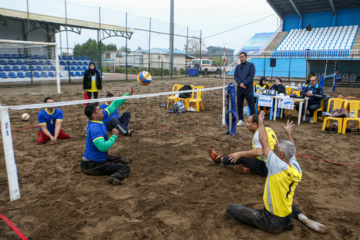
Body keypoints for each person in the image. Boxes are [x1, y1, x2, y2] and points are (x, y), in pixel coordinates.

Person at [226, 111, 327, 234]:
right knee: (290, 207)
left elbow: (263, 140)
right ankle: (303, 218)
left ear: (280, 155)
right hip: (286, 215)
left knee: (231, 209)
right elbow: (293, 150)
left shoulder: (275, 164)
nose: (272, 150)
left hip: (272, 221)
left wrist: (261, 123)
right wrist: (289, 133)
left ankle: (298, 219)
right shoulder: (296, 167)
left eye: (274, 149)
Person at [81, 87, 134, 186]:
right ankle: (114, 177)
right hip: (91, 166)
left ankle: (122, 160)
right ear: (94, 115)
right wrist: (114, 136)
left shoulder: (100, 117)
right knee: (125, 168)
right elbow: (103, 147)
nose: (102, 109)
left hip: (93, 159)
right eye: (99, 109)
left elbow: (114, 104)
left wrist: (128, 94)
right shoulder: (95, 128)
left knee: (108, 156)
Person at [209, 114, 277, 177]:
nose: (246, 125)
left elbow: (259, 152)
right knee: (247, 156)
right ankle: (249, 168)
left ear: (255, 124)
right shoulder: (269, 129)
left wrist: (240, 154)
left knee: (241, 157)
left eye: (248, 122)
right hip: (276, 164)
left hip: (268, 168)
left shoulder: (258, 135)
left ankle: (219, 159)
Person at [234, 52, 256, 126]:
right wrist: (240, 84)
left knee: (251, 104)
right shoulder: (237, 67)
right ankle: (241, 119)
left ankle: (253, 121)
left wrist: (245, 83)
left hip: (248, 88)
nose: (241, 58)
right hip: (240, 88)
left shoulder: (251, 65)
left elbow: (251, 76)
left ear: (246, 57)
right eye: (240, 57)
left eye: (242, 57)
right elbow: (235, 76)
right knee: (239, 105)